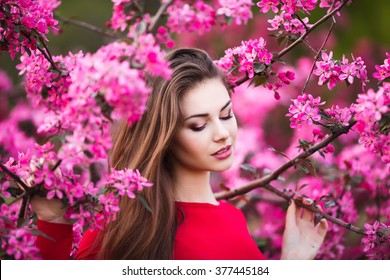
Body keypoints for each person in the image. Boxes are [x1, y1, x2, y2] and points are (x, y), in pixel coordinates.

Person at [31, 48, 328, 260]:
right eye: (198, 125)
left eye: (226, 115)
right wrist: (53, 225)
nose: (222, 133)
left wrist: (292, 262)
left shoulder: (233, 220)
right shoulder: (124, 229)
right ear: (163, 137)